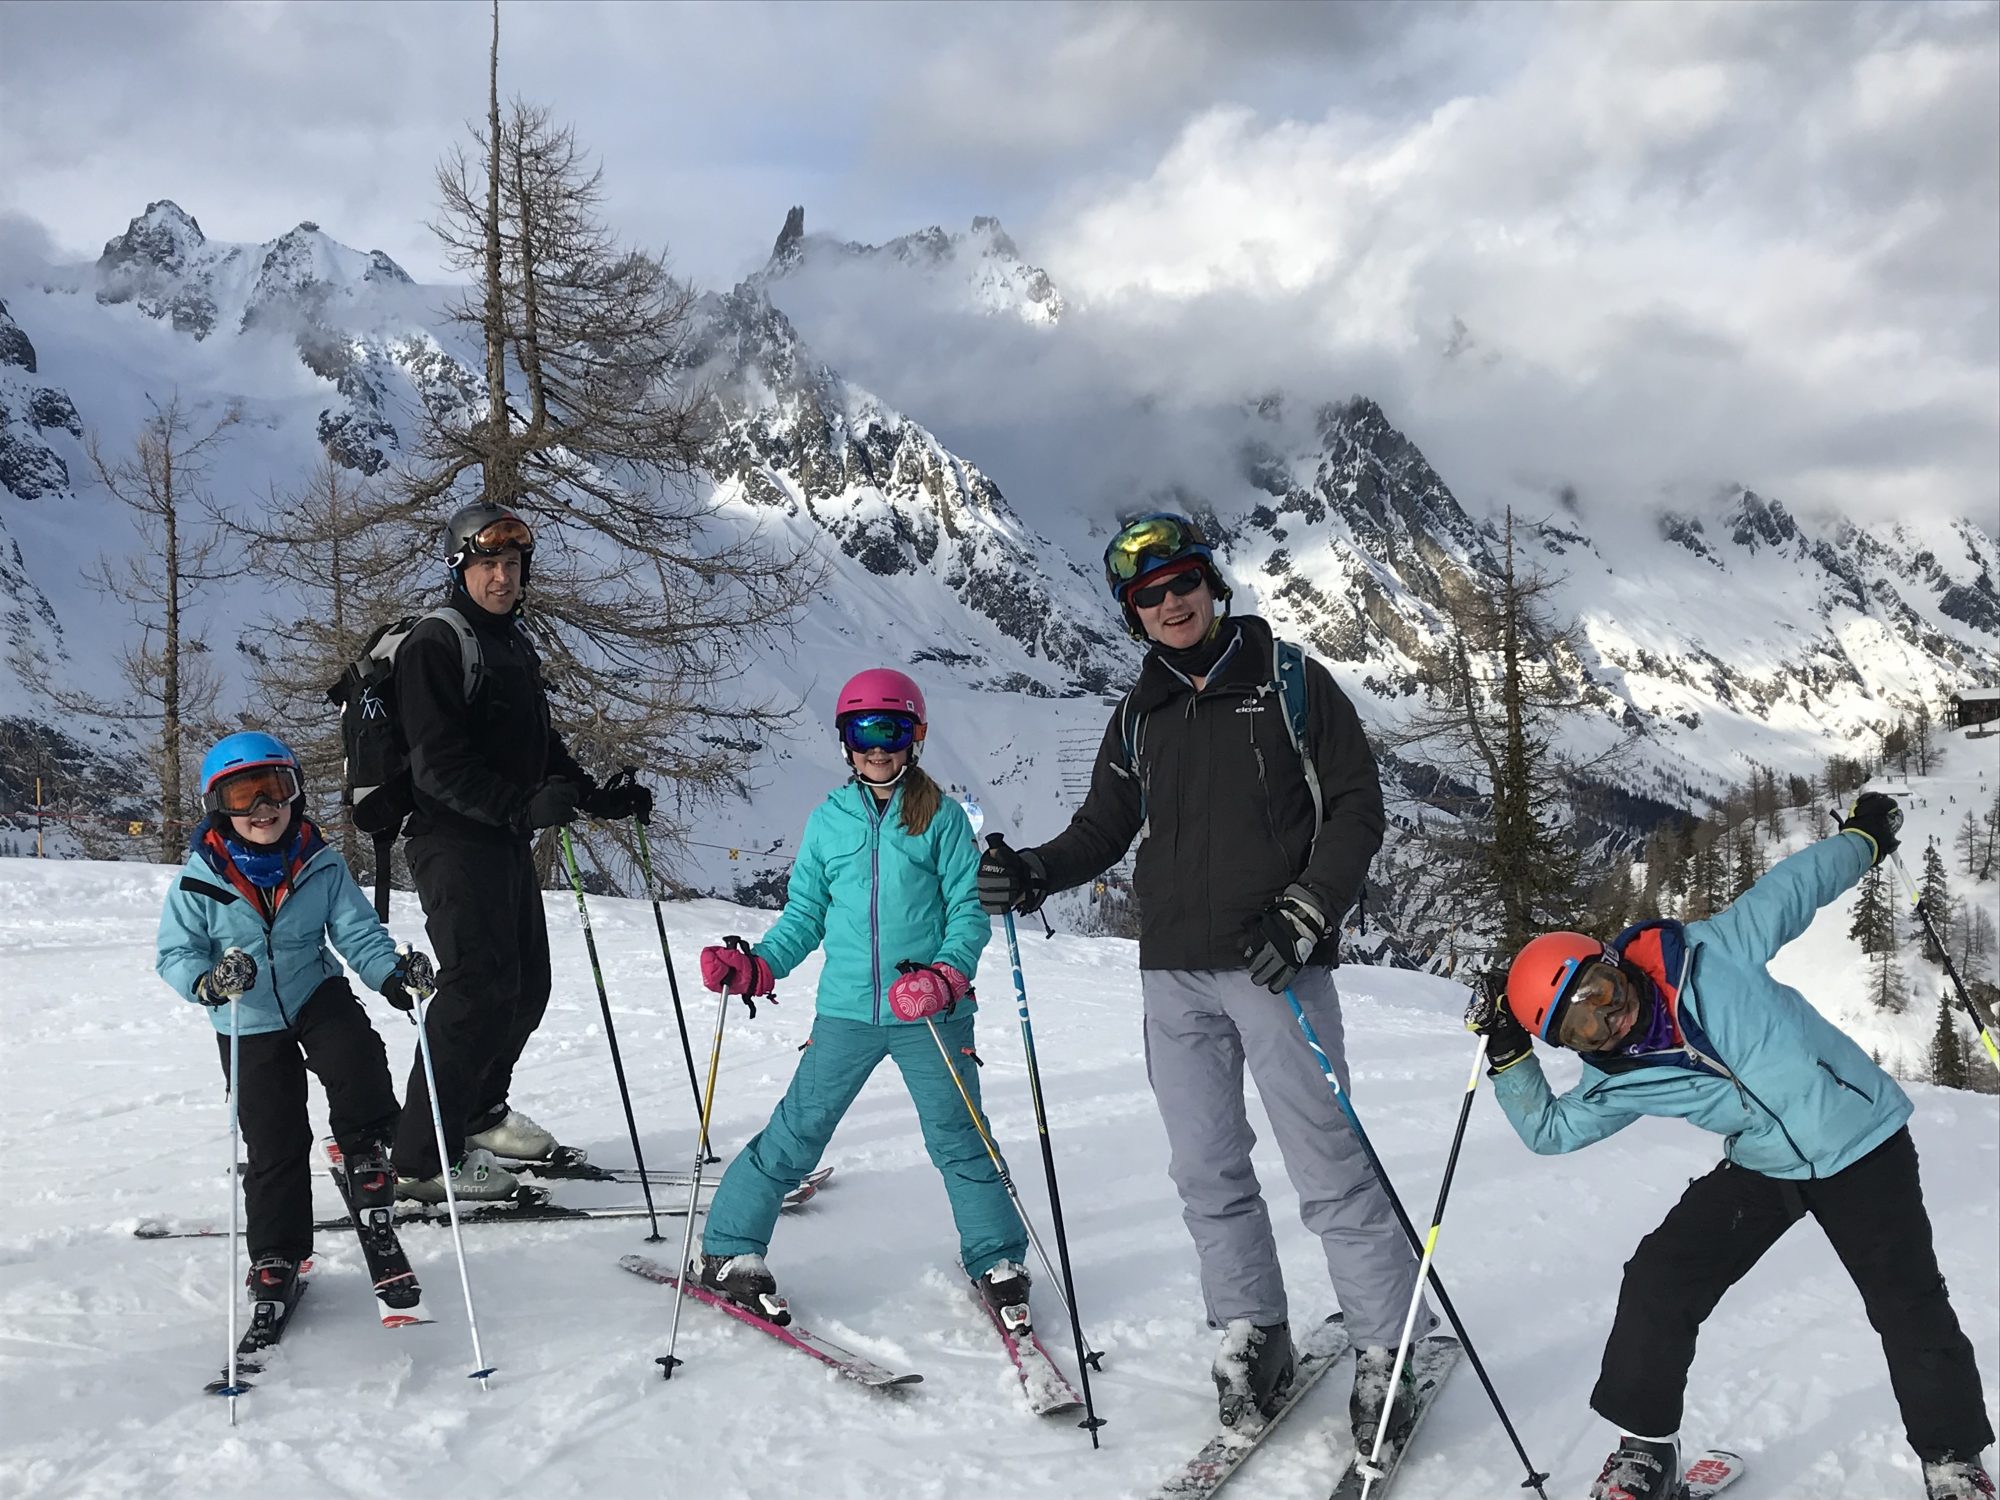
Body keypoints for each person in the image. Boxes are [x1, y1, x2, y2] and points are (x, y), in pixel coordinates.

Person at [977, 512, 1432, 1444]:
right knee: (1205, 1168)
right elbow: (1102, 831)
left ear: (1211, 585)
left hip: (1277, 967)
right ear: (1132, 613)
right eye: (1150, 594)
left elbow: (1356, 808)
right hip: (1172, 974)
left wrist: (1309, 911)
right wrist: (1032, 871)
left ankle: (1387, 1349)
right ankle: (1252, 1327)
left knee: (1327, 1167)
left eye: (1183, 582)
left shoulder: (1293, 682)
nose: (1172, 602)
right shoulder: (1138, 714)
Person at [1470, 794, 1994, 1500]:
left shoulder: (1716, 949)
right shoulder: (1619, 1080)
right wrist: (1510, 1060)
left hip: (1862, 1142)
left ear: (1608, 961)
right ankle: (1646, 1454)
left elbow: (1795, 886)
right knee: (1660, 1277)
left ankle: (1953, 1461)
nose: (1606, 1015)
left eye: (1596, 989)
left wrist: (1865, 839)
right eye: (1580, 1028)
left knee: (1908, 1303)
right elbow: (1550, 1130)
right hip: (1765, 1166)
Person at [693, 668, 1032, 1328]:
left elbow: (968, 913)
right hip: (848, 1009)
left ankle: (997, 1260)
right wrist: (759, 966)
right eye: (863, 732)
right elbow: (806, 914)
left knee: (961, 1139)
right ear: (844, 742)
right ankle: (730, 1251)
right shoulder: (828, 821)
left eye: (894, 730)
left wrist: (945, 977)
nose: (879, 747)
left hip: (930, 1013)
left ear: (916, 738)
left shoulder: (939, 818)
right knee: (797, 1134)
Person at [390, 502, 652, 1202]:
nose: (502, 577)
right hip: (450, 839)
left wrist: (591, 796)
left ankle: (477, 1114)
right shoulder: (436, 644)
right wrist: (515, 806)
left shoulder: (509, 641)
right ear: (461, 569)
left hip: (501, 840)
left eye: (511, 565)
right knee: (474, 994)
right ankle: (421, 1159)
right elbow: (436, 766)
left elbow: (537, 747)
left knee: (524, 990)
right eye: (487, 565)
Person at [156, 732, 433, 1307]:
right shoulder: (199, 878)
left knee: (354, 1050)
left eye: (275, 791)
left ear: (295, 795)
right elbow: (176, 953)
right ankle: (276, 1252)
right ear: (219, 806)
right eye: (243, 796)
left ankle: (365, 1151)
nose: (262, 810)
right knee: (274, 1135)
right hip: (246, 1016)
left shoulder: (320, 863)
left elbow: (357, 933)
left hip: (313, 989)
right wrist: (208, 984)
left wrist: (390, 976)